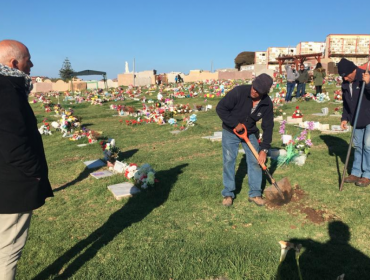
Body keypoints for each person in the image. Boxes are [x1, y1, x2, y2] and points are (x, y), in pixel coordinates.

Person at [0, 40, 53, 279]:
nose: (31, 64)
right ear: (13, 63)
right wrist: (34, 173)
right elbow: (14, 144)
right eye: (27, 59)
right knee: (7, 251)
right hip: (11, 186)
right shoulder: (6, 90)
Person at [216, 73, 274, 207]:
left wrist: (264, 149)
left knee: (255, 161)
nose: (254, 91)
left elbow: (268, 126)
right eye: (254, 87)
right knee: (229, 160)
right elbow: (220, 108)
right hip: (230, 131)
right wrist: (235, 123)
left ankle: (255, 193)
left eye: (258, 90)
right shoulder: (238, 92)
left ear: (264, 92)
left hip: (250, 133)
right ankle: (228, 194)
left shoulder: (266, 103)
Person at [339, 58, 370, 187]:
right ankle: (356, 172)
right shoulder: (345, 84)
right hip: (355, 119)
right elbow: (346, 104)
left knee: (368, 146)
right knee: (358, 146)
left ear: (353, 70)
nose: (345, 79)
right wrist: (344, 118)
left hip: (369, 118)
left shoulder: (365, 76)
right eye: (343, 77)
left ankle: (367, 174)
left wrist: (368, 84)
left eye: (346, 76)